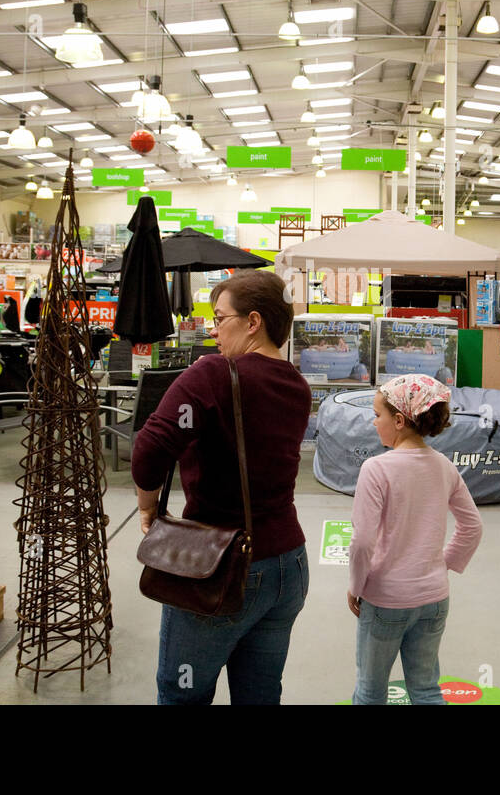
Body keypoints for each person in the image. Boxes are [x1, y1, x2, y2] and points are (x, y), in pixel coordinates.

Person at [130, 269, 312, 705]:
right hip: (287, 565)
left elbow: (148, 450)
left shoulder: (213, 373)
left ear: (253, 322)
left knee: (183, 693)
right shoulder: (297, 384)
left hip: (219, 564)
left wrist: (147, 508)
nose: (213, 329)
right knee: (259, 692)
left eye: (219, 318)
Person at [347, 375, 483, 705]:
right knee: (425, 688)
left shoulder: (376, 469)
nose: (373, 421)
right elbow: (473, 527)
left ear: (398, 420)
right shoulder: (444, 467)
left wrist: (356, 586)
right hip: (434, 599)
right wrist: (443, 565)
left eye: (377, 415)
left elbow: (363, 541)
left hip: (385, 599)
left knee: (370, 689)